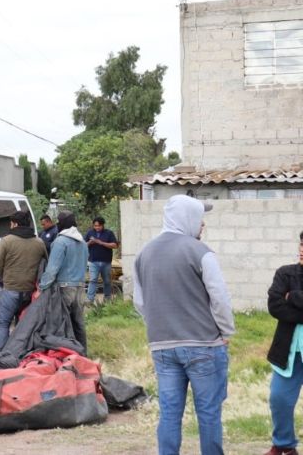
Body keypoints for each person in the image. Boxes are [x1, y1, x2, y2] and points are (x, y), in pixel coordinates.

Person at [133, 195, 234, 455]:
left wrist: (160, 324)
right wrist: (226, 331)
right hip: (204, 345)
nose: (202, 225)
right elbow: (220, 298)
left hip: (162, 347)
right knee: (209, 413)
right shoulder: (201, 252)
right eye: (200, 219)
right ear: (188, 218)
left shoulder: (144, 253)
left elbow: (140, 302)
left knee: (169, 413)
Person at [264, 231, 303, 455]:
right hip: (289, 353)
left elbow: (286, 305)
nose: (302, 248)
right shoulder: (285, 273)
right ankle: (284, 445)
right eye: (301, 243)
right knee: (279, 399)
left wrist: (294, 297)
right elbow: (275, 307)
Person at [0, 211, 47, 351]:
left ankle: (1, 354)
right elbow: (45, 264)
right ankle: (20, 352)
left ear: (15, 223)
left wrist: (6, 278)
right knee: (23, 324)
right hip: (29, 291)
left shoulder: (7, 240)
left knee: (2, 323)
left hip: (11, 289)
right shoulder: (39, 242)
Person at [38, 211, 90, 354]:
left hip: (65, 287)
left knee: (63, 323)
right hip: (80, 286)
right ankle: (83, 354)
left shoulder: (61, 242)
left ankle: (69, 355)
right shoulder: (82, 242)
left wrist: (42, 287)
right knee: (78, 323)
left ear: (62, 224)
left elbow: (52, 269)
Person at [85, 216, 119, 304]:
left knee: (107, 281)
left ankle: (107, 299)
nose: (97, 228)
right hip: (93, 261)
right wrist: (90, 242)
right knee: (93, 280)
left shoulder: (109, 233)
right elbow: (83, 245)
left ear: (103, 225)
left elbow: (115, 245)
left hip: (106, 262)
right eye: (95, 226)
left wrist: (100, 242)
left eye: (99, 226)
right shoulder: (90, 233)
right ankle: (90, 299)